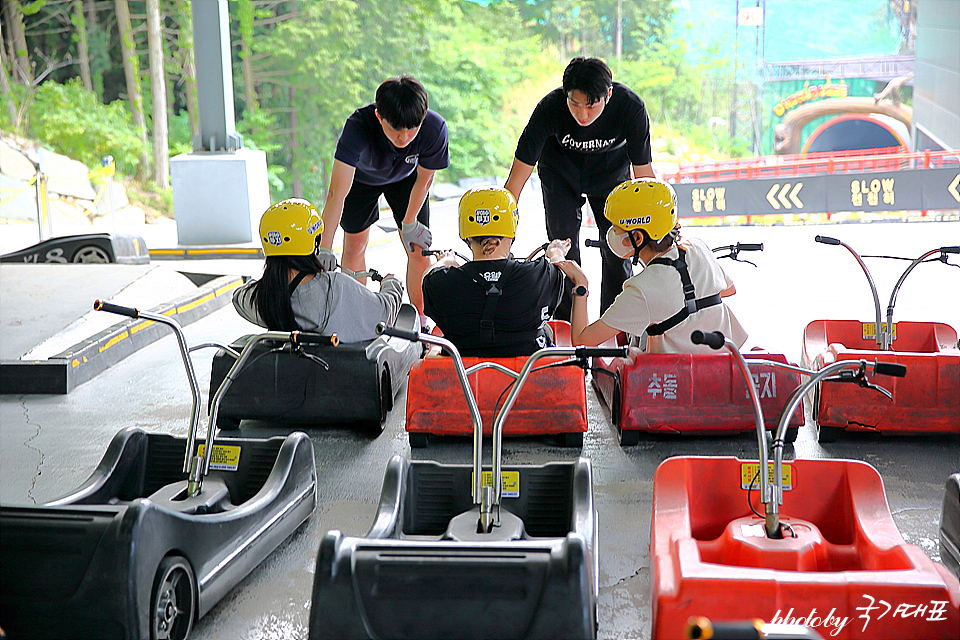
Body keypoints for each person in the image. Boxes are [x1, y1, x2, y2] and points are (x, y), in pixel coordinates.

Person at [504, 56, 655, 321]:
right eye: (574, 104)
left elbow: (645, 177)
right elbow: (515, 182)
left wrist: (659, 230)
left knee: (618, 247)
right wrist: (501, 230)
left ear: (607, 95)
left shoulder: (629, 108)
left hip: (610, 174)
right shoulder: (549, 109)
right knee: (562, 247)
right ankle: (567, 324)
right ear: (565, 95)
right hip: (560, 172)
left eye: (591, 106)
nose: (582, 115)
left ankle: (615, 324)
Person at [554, 178, 748, 354]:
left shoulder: (641, 289)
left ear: (637, 237)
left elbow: (581, 339)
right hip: (728, 362)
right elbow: (729, 290)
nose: (611, 233)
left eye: (615, 228)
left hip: (676, 379)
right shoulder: (699, 247)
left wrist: (581, 284)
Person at [316, 75, 449, 326]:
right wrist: (324, 247)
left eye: (412, 129)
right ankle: (354, 318)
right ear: (379, 117)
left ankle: (422, 320)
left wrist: (409, 223)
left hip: (407, 180)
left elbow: (425, 180)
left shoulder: (434, 128)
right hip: (361, 181)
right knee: (354, 246)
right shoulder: (358, 127)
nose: (404, 138)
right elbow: (336, 194)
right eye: (396, 130)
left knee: (418, 250)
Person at [422, 186, 572, 357]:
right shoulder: (538, 275)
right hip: (526, 372)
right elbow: (560, 268)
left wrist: (446, 260)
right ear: (511, 227)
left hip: (463, 373)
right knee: (546, 329)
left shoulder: (442, 283)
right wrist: (556, 251)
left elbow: (426, 277)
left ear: (466, 234)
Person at [233, 198, 404, 343]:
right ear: (314, 242)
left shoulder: (259, 297)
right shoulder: (335, 287)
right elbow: (383, 314)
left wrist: (270, 279)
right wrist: (392, 284)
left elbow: (238, 296)